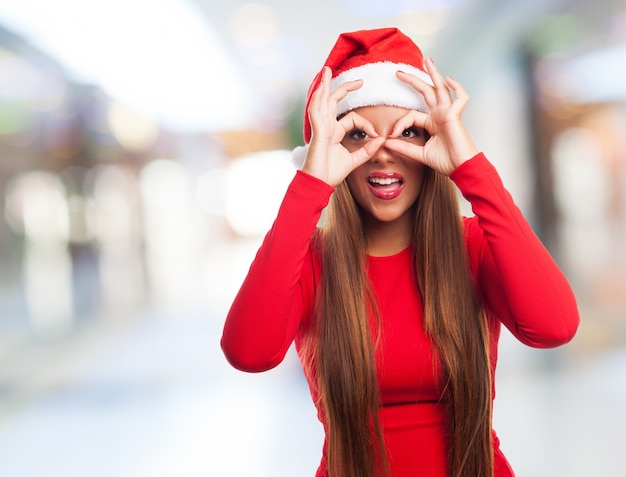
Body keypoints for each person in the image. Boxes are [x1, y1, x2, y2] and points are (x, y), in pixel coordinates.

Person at [221, 27, 579, 477]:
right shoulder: (311, 261)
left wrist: (471, 169)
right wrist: (310, 186)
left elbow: (555, 327)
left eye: (409, 132)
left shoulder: (472, 245)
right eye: (358, 136)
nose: (384, 154)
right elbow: (248, 352)